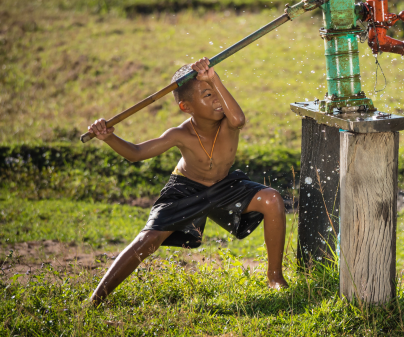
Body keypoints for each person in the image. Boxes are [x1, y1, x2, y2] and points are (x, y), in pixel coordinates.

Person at [87, 57, 288, 306]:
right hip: (185, 189)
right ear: (186, 106)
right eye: (207, 94)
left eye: (217, 91)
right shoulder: (180, 134)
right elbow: (136, 154)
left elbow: (239, 120)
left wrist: (212, 78)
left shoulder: (228, 123)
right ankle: (95, 299)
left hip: (224, 186)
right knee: (148, 239)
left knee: (272, 198)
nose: (217, 99)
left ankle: (275, 276)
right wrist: (108, 138)